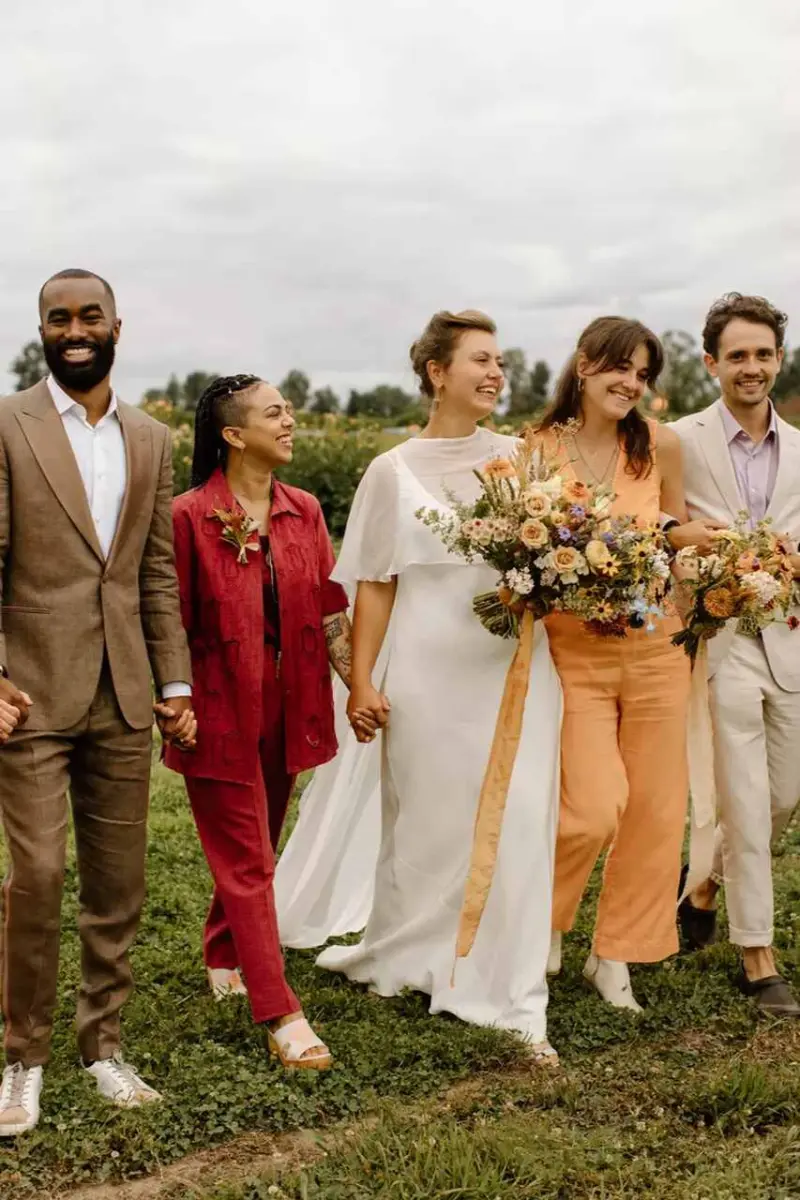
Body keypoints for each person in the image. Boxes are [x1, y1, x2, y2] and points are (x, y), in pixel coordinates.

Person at [277, 310, 562, 1062]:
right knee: (430, 821)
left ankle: (505, 980)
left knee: (522, 815)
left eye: (500, 360)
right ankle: (414, 954)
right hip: (427, 670)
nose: (496, 373)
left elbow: (558, 558)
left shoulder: (526, 461)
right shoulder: (391, 470)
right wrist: (362, 681)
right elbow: (373, 585)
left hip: (513, 666)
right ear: (437, 372)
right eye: (480, 359)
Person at [0, 269, 195, 1136]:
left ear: (118, 325)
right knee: (38, 876)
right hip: (29, 689)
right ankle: (22, 1057)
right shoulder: (7, 425)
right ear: (42, 330)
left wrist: (175, 682)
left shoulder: (151, 438)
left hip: (123, 694)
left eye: (89, 317)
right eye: (57, 318)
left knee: (118, 885)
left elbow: (153, 572)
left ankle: (102, 1043)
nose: (73, 330)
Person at [165, 374, 363, 1069]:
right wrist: (175, 698)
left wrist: (357, 686)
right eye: (275, 412)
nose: (290, 420)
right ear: (232, 433)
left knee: (259, 843)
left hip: (289, 702)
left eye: (288, 409)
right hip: (215, 708)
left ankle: (223, 950)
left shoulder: (303, 509)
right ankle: (280, 1011)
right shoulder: (189, 515)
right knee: (248, 859)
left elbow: (332, 608)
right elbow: (166, 619)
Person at [538, 317, 691, 1012]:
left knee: (657, 812)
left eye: (641, 372)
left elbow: (675, 529)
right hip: (573, 654)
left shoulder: (660, 445)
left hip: (660, 647)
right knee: (592, 810)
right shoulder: (534, 451)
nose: (630, 382)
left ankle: (617, 953)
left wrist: (713, 547)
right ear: (583, 365)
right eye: (618, 367)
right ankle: (544, 924)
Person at [670, 294, 800, 1017]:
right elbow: (650, 521)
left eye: (763, 354)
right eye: (737, 355)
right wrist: (689, 547)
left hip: (789, 636)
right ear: (711, 362)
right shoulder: (677, 439)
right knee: (745, 798)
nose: (751, 368)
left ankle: (702, 883)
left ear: (778, 360)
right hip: (716, 640)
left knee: (785, 793)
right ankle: (759, 958)